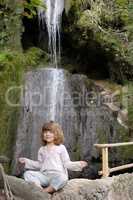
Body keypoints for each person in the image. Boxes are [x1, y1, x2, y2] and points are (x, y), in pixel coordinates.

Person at [19, 121, 88, 193]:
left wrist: (78, 164)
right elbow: (40, 164)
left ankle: (47, 190)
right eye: (45, 132)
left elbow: (67, 163)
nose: (47, 134)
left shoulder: (61, 147)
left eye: (50, 132)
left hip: (57, 175)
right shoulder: (42, 149)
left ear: (57, 134)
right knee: (28, 174)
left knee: (63, 177)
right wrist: (27, 161)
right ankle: (38, 189)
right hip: (44, 176)